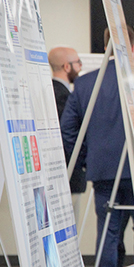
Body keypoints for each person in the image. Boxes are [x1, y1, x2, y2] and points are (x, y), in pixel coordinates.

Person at [61, 25, 134, 267]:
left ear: (105, 47)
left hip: (103, 171)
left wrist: (88, 159)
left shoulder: (85, 83)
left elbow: (67, 131)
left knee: (107, 236)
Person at [48, 46, 87, 196]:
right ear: (66, 66)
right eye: (78, 62)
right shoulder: (64, 97)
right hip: (67, 173)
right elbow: (69, 133)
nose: (80, 66)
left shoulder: (51, 91)